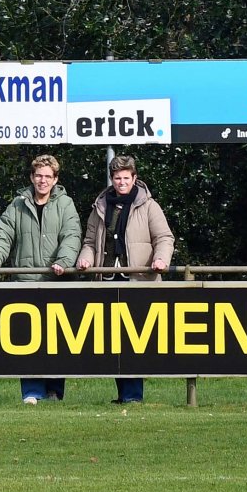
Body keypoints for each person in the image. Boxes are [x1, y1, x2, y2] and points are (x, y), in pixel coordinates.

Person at [0, 153, 82, 403]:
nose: (43, 180)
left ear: (55, 179)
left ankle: (54, 391)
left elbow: (72, 236)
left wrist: (63, 261)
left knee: (56, 340)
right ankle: (31, 391)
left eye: (48, 176)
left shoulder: (66, 204)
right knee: (26, 341)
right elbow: (2, 234)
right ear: (31, 177)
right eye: (38, 175)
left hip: (56, 283)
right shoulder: (17, 204)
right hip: (25, 281)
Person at [76, 154, 174, 404]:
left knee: (134, 340)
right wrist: (86, 259)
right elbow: (89, 242)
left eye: (126, 178)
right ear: (112, 179)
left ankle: (133, 395)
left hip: (138, 281)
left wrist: (161, 260)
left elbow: (164, 238)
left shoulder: (149, 206)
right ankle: (123, 394)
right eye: (117, 178)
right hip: (107, 280)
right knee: (113, 341)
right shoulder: (100, 207)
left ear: (134, 178)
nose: (121, 183)